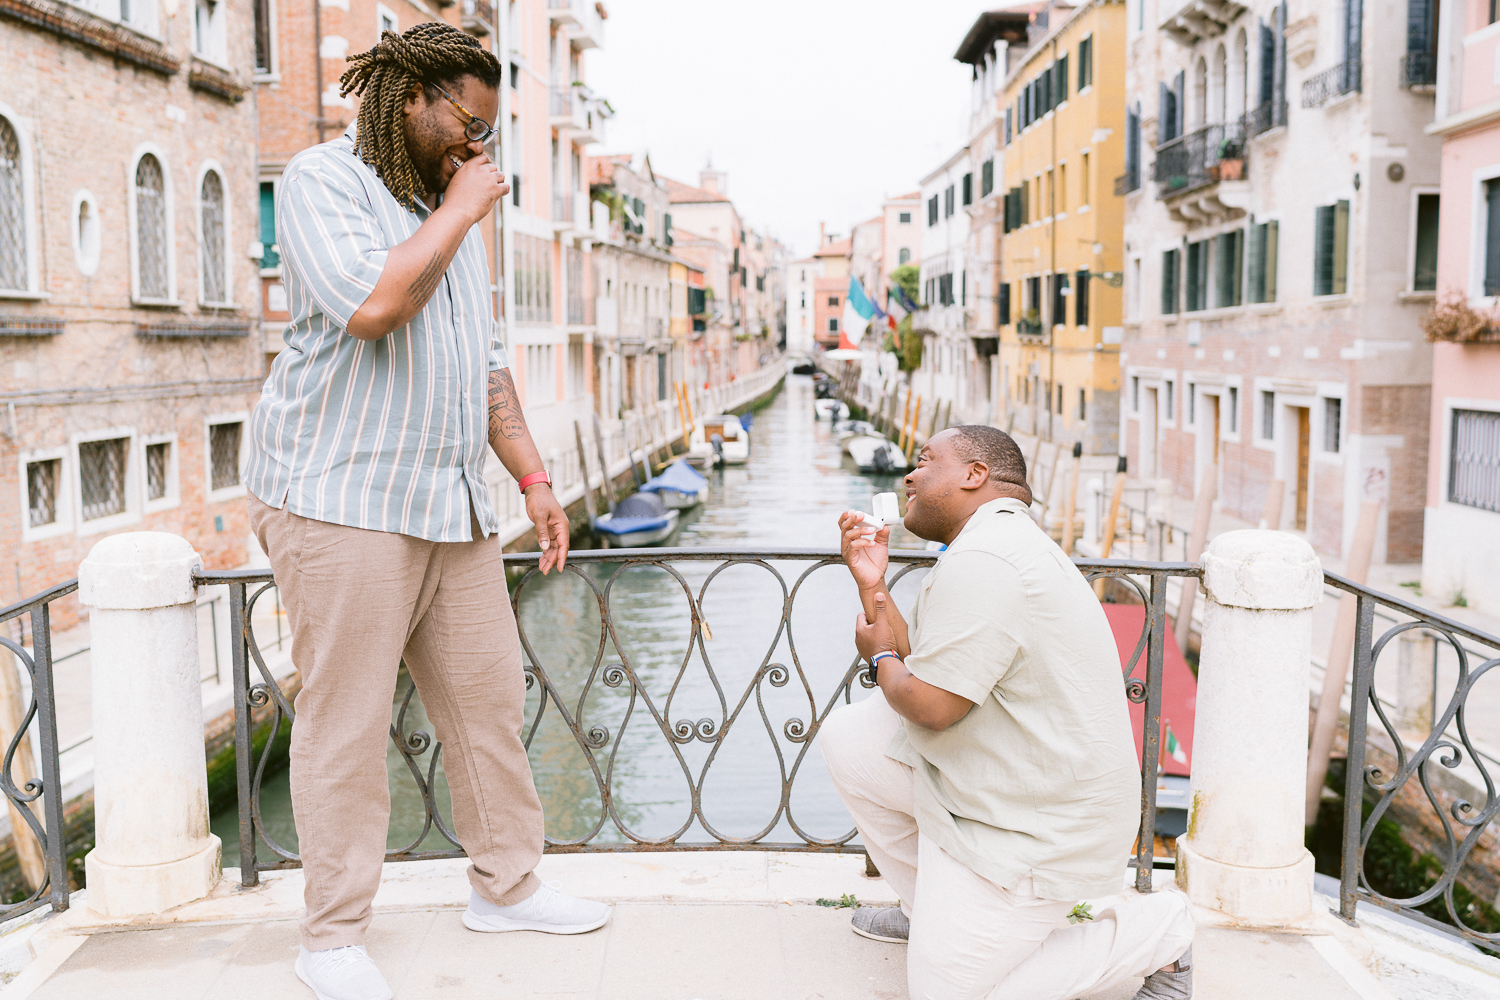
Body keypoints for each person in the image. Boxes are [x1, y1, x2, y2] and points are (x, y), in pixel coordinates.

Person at [244, 24, 608, 1000]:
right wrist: (456, 208)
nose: (478, 148)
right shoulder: (327, 182)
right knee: (347, 724)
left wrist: (533, 480)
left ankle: (507, 884)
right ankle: (331, 936)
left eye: (487, 133)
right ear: (412, 98)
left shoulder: (447, 209)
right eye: (468, 124)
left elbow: (487, 373)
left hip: (450, 501)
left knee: (489, 700)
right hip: (340, 496)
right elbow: (372, 303)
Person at [820, 425, 1195, 1000]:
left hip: (1037, 820)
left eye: (925, 461)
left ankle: (1158, 934)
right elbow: (921, 666)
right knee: (853, 739)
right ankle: (933, 915)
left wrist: (882, 659)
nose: (910, 474)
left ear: (975, 475)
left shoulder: (989, 559)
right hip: (1005, 780)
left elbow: (933, 706)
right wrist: (872, 581)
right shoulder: (984, 547)